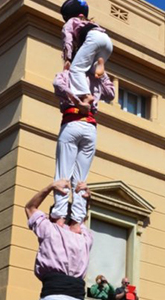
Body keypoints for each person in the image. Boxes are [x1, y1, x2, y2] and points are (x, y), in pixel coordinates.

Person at [51, 63, 114, 223]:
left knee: (63, 174)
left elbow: (58, 84)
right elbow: (111, 93)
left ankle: (59, 217)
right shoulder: (95, 77)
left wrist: (76, 99)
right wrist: (101, 72)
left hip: (72, 122)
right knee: (80, 180)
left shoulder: (69, 73)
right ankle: (77, 221)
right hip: (90, 127)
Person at [60, 0, 113, 97]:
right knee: (90, 69)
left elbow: (67, 39)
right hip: (107, 41)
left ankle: (85, 96)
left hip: (93, 38)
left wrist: (67, 58)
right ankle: (97, 66)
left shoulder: (71, 22)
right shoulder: (90, 23)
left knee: (76, 69)